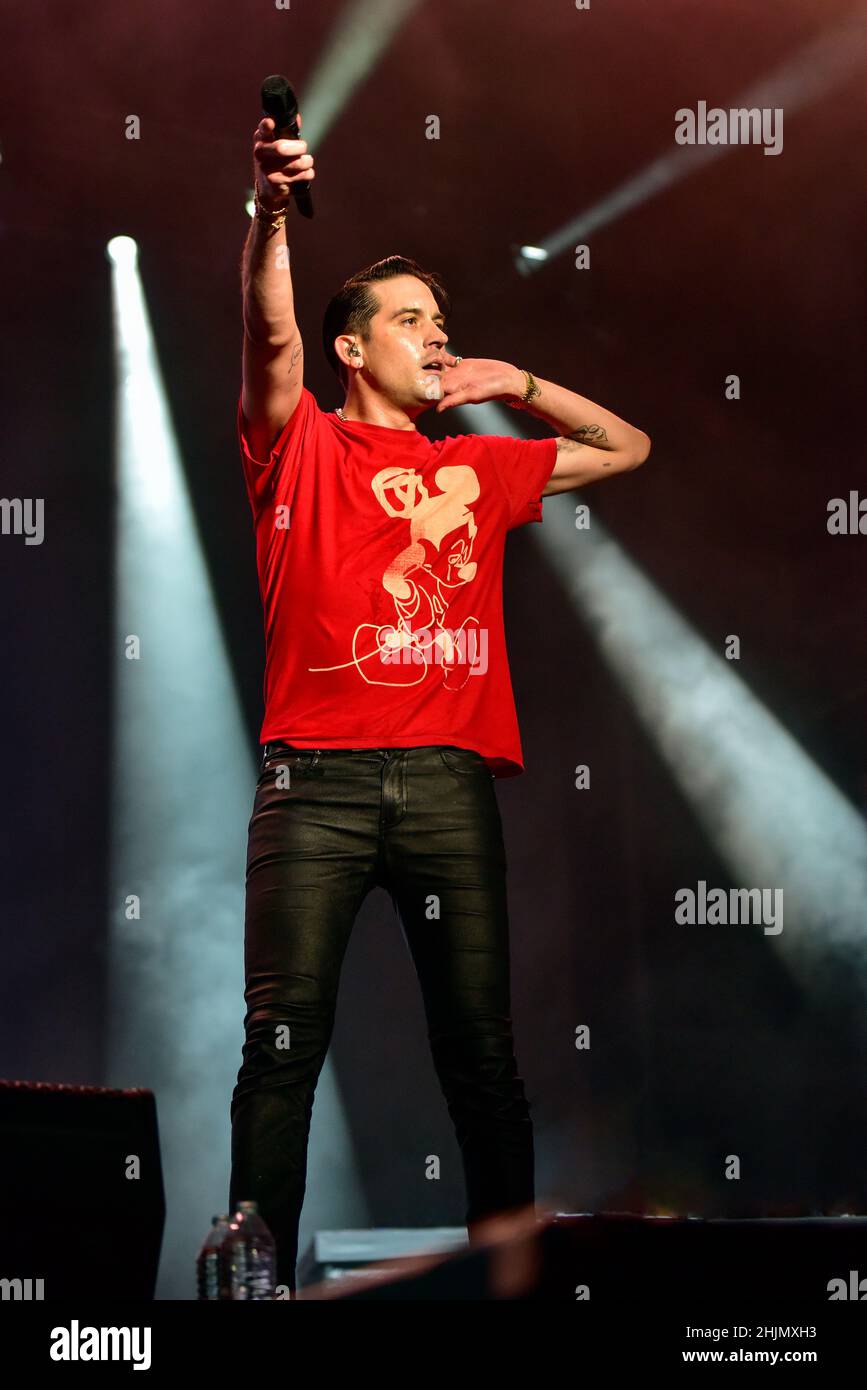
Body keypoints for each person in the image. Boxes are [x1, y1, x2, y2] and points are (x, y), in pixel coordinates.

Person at [229, 114, 651, 1296]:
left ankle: (508, 1286)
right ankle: (252, 1284)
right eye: (410, 319)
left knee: (484, 1061)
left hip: (449, 784)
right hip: (313, 782)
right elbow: (268, 329)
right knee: (279, 1054)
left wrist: (510, 381)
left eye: (440, 320)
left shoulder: (475, 466)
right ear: (353, 352)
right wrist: (269, 207)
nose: (435, 335)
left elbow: (626, 447)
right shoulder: (295, 441)